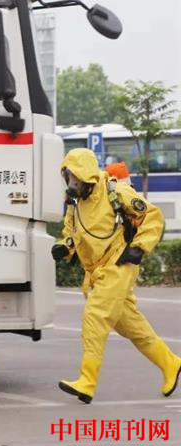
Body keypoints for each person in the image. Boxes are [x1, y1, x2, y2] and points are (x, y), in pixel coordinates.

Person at [52, 148, 180, 403]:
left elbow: (152, 215)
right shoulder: (76, 204)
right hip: (97, 272)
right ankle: (171, 363)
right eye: (68, 177)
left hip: (118, 265)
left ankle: (87, 382)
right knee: (133, 327)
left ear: (86, 175)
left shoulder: (115, 192)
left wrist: (139, 247)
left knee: (95, 317)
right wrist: (64, 247)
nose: (71, 183)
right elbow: (71, 233)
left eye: (75, 177)